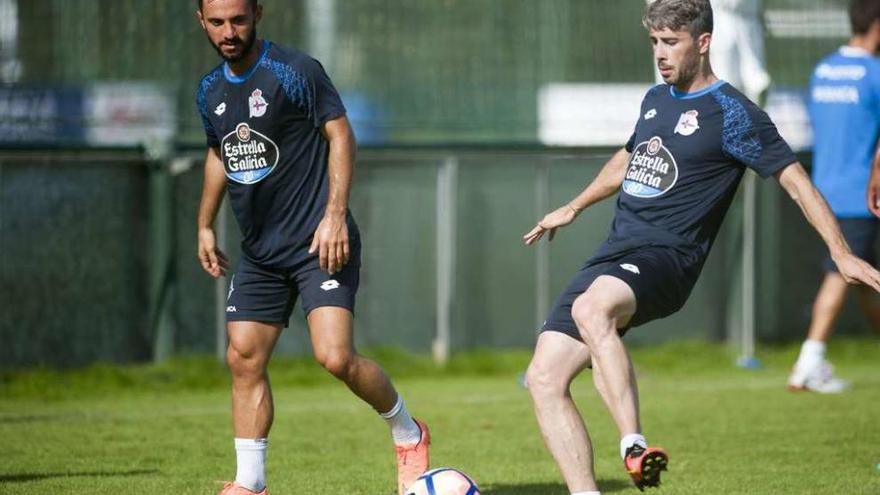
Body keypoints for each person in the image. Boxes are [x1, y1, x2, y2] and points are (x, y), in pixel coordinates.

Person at [522, 1, 880, 493]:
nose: (660, 54)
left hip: (667, 259)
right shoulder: (656, 98)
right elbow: (629, 159)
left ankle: (632, 443)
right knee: (543, 377)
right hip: (615, 252)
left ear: (704, 41)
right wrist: (574, 205)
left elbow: (797, 184)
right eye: (654, 43)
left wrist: (840, 252)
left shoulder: (734, 113)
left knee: (591, 308)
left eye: (671, 43)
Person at [194, 1, 429, 493]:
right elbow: (218, 151)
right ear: (202, 22)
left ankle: (408, 432)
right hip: (260, 253)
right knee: (244, 357)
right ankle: (250, 483)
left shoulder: (294, 71)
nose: (228, 32)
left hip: (318, 242)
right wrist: (204, 224)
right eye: (217, 22)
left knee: (335, 357)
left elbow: (340, 133)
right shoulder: (210, 90)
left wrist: (335, 214)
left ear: (258, 13)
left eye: (238, 19)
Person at [788, 0, 880, 394]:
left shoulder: (822, 70)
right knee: (839, 274)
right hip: (863, 194)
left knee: (862, 281)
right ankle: (809, 360)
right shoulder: (875, 73)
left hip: (824, 191)